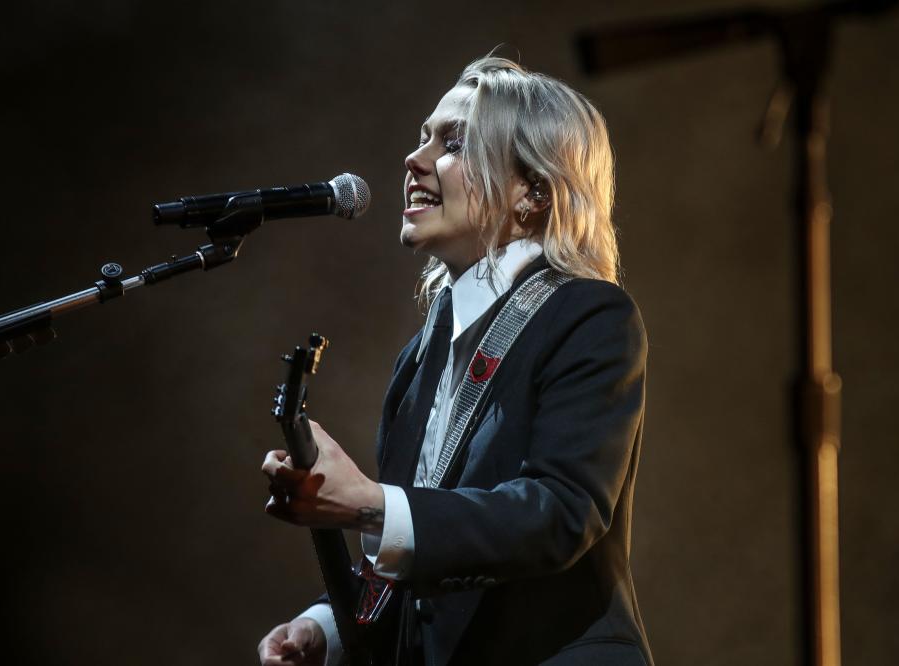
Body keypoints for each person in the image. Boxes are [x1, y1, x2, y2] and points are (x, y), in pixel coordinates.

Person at [258, 55, 653, 666]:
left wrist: (368, 502)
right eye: (422, 137)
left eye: (454, 143)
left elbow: (561, 512)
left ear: (533, 191)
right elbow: (424, 550)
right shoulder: (419, 356)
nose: (413, 161)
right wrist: (326, 630)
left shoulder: (588, 316)